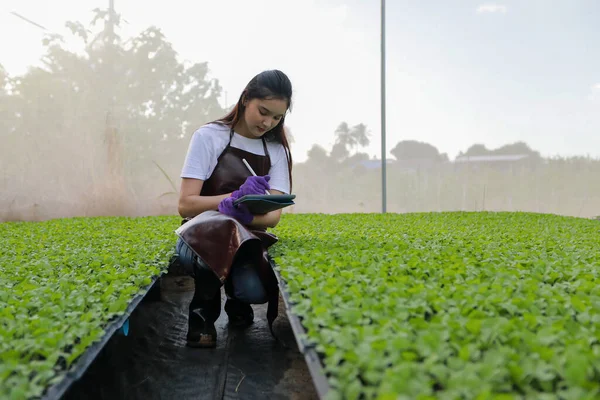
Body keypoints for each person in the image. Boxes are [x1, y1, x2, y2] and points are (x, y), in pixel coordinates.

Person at [174, 69, 293, 348]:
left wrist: (244, 213)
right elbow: (185, 204)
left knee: (253, 290)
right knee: (219, 227)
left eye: (277, 117)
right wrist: (230, 201)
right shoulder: (210, 136)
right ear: (245, 99)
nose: (268, 122)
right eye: (263, 111)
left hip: (249, 240)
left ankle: (238, 302)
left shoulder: (275, 149)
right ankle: (201, 317)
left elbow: (274, 216)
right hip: (199, 238)